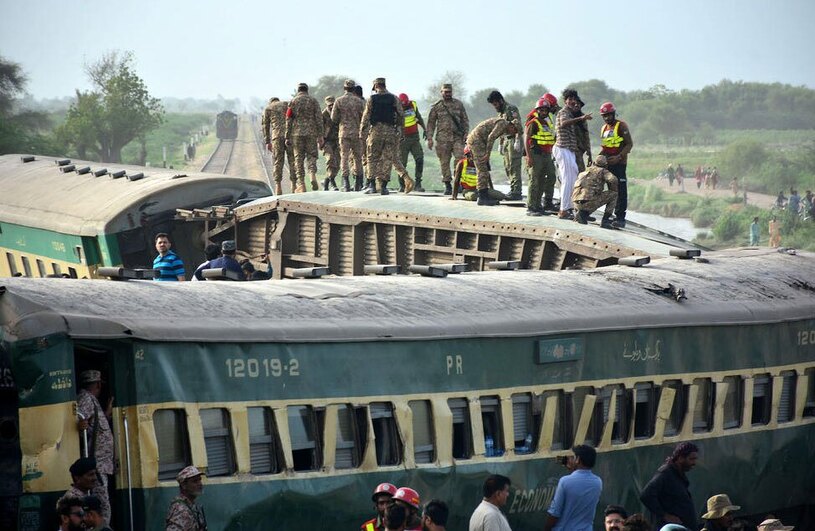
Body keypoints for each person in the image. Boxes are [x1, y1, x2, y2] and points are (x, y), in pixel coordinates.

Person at [360, 78, 413, 195]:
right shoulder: (394, 98)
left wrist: (362, 133)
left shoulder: (372, 99)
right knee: (387, 159)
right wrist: (401, 130)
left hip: (376, 131)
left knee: (372, 158)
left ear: (376, 86)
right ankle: (383, 187)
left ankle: (372, 186)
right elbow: (401, 115)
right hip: (390, 132)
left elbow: (366, 117)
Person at [76, 370, 113, 521]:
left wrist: (106, 415)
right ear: (98, 384)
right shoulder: (86, 398)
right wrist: (80, 426)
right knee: (102, 508)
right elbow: (79, 421)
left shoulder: (91, 400)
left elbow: (92, 426)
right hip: (96, 466)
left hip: (101, 465)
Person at [640, 441, 700, 531]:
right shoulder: (665, 474)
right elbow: (646, 495)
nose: (694, 463)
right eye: (691, 459)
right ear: (680, 458)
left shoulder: (678, 475)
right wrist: (665, 515)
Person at [544, 444, 603, 531]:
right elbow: (580, 484)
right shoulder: (598, 482)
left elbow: (555, 512)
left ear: (578, 459)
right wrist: (574, 470)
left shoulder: (565, 481)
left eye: (573, 457)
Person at [554, 89, 592, 219]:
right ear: (565, 101)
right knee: (567, 179)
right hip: (562, 148)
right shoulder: (563, 112)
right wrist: (581, 118)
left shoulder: (570, 114)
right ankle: (563, 210)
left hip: (570, 150)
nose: (572, 102)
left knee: (573, 178)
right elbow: (563, 123)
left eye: (574, 99)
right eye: (569, 99)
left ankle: (569, 207)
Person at [427, 83, 470, 195]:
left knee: (460, 159)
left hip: (457, 137)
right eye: (445, 92)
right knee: (444, 162)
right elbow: (431, 123)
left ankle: (458, 182)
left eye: (449, 92)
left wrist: (466, 133)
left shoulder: (458, 104)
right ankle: (447, 184)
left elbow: (465, 120)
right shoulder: (437, 106)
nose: (447, 94)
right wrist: (430, 138)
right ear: (441, 92)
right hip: (442, 139)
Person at [465, 117, 517, 206]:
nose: (512, 134)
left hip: (479, 141)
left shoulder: (503, 126)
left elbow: (498, 136)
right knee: (482, 170)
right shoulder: (502, 124)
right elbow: (491, 137)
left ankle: (484, 195)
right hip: (477, 141)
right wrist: (487, 154)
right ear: (512, 126)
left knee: (484, 168)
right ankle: (482, 197)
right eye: (514, 131)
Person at [598, 102, 634, 227]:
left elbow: (629, 144)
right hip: (608, 164)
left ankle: (620, 218)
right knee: (611, 190)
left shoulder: (621, 126)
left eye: (609, 115)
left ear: (613, 114)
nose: (607, 118)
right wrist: (598, 158)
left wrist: (619, 157)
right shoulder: (604, 128)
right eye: (604, 116)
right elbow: (605, 147)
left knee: (621, 190)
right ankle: (609, 215)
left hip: (620, 163)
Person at [286, 82, 324, 192]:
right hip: (311, 133)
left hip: (297, 134)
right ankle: (312, 175)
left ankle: (302, 184)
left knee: (298, 158)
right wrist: (320, 135)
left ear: (298, 90)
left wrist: (287, 136)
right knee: (311, 155)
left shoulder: (292, 102)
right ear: (307, 90)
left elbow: (288, 119)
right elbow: (319, 118)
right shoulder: (313, 101)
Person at [487, 90, 524, 200]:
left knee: (514, 166)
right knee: (508, 166)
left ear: (501, 101)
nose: (495, 107)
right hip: (506, 140)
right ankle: (513, 189)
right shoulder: (501, 113)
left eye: (496, 104)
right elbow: (501, 129)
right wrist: (501, 143)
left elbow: (517, 124)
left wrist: (517, 140)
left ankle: (516, 192)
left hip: (514, 139)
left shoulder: (510, 109)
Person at [524, 97, 557, 215]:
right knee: (534, 180)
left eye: (545, 110)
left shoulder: (546, 123)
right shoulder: (534, 123)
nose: (543, 112)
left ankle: (538, 205)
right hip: (536, 154)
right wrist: (529, 156)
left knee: (544, 179)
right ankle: (531, 207)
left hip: (546, 155)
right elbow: (526, 139)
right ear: (537, 111)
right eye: (541, 110)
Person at [332, 79, 366, 191]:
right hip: (356, 133)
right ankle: (358, 183)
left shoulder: (338, 101)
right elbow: (364, 117)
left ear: (344, 88)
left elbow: (334, 118)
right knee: (357, 157)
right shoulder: (359, 101)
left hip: (344, 133)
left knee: (344, 157)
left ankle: (346, 183)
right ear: (353, 88)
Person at [57, 457, 111, 525]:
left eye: (95, 474)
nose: (95, 478)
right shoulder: (72, 499)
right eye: (91, 475)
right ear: (77, 478)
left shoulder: (84, 496)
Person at [571, 155, 619, 228]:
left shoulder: (586, 170)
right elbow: (613, 179)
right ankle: (605, 221)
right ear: (606, 165)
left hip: (575, 202)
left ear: (594, 163)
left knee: (587, 195)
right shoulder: (603, 171)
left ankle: (582, 214)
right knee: (614, 194)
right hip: (588, 202)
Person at [262, 96, 295, 195]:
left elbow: (265, 126)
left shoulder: (268, 108)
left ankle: (278, 186)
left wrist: (267, 141)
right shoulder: (286, 104)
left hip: (276, 137)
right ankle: (294, 185)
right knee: (292, 160)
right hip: (289, 136)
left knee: (278, 161)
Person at [398, 93, 426, 192]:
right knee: (402, 163)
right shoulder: (396, 107)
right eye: (403, 105)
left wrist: (425, 129)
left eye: (406, 104)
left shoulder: (413, 105)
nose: (405, 106)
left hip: (414, 137)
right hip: (402, 139)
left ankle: (418, 183)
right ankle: (402, 185)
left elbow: (419, 118)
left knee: (419, 159)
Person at [165, 465, 207, 531]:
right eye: (195, 481)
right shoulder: (180, 509)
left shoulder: (191, 504)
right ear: (184, 485)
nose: (200, 484)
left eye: (200, 480)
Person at [321, 95, 340, 191]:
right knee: (330, 160)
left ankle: (326, 181)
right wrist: (320, 140)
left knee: (338, 164)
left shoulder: (338, 113)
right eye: (329, 105)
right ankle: (332, 182)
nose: (332, 107)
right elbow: (320, 128)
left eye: (333, 104)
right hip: (327, 141)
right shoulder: (323, 114)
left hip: (337, 140)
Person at [574, 96, 593, 173]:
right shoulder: (566, 116)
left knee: (581, 173)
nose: (576, 105)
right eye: (575, 104)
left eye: (578, 104)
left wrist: (589, 152)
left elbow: (586, 134)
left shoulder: (583, 117)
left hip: (579, 149)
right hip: (568, 149)